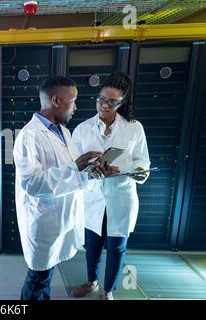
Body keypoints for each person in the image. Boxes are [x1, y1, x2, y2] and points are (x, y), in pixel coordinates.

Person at [13, 76, 104, 300]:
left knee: (46, 275)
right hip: (44, 223)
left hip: (62, 219)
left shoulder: (63, 132)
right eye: (72, 101)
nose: (75, 107)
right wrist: (75, 167)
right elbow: (31, 184)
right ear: (56, 100)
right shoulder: (29, 136)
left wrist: (91, 173)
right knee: (39, 278)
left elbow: (73, 176)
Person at [71, 71, 151, 300]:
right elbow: (73, 165)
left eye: (111, 102)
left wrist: (129, 172)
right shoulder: (83, 129)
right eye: (101, 99)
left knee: (117, 248)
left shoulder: (134, 128)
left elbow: (142, 161)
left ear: (121, 103)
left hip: (121, 196)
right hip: (93, 196)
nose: (104, 105)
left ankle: (108, 291)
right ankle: (91, 282)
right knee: (92, 246)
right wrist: (90, 170)